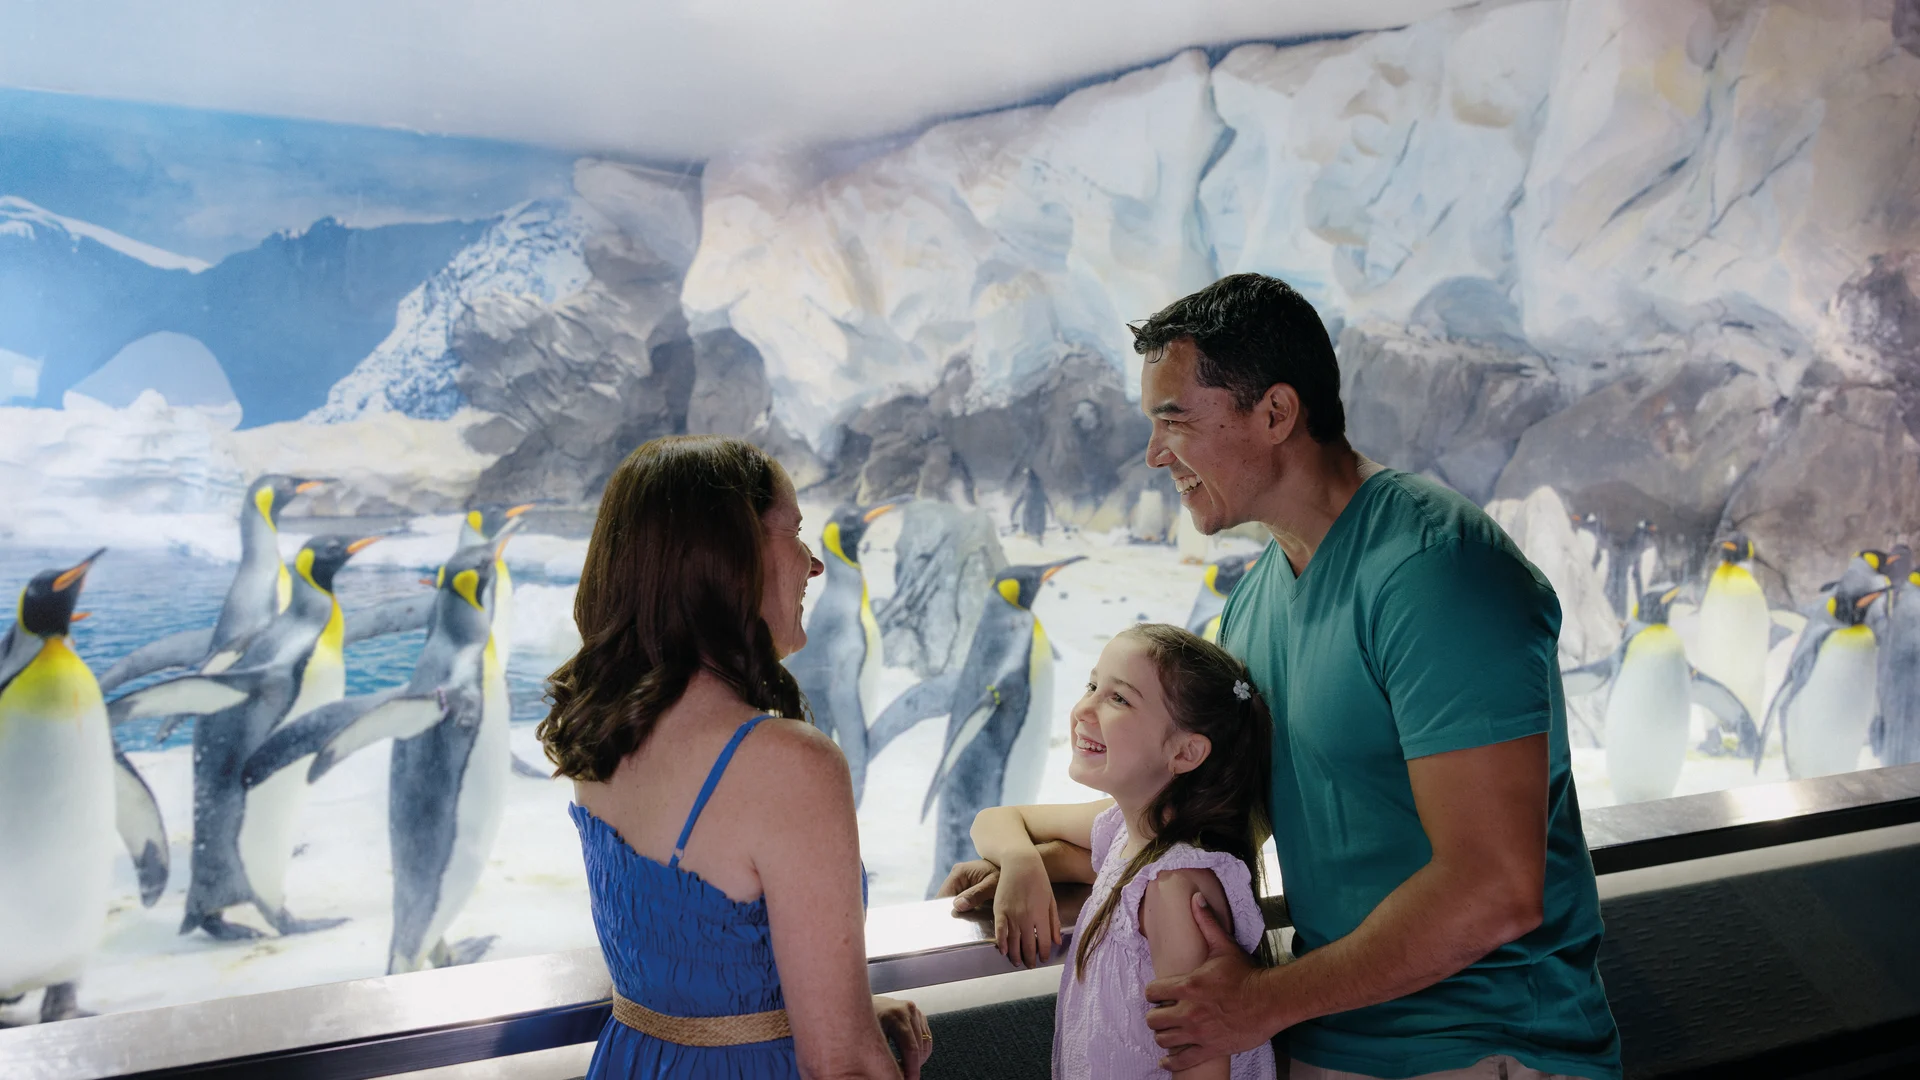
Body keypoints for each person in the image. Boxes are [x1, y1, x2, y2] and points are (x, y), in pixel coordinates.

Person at [945, 274, 1621, 1080]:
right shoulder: (1257, 603)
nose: (1156, 454)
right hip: (1331, 1039)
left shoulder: (1438, 573)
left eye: (1175, 421)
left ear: (1275, 413)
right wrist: (1033, 864)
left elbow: (1495, 887)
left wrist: (1260, 1004)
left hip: (1480, 1047)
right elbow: (1224, 821)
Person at [538, 435, 933, 1079]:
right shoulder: (786, 763)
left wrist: (831, 1010)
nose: (815, 565)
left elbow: (692, 973)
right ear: (731, 553)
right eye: (795, 531)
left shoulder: (609, 729)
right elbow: (843, 1067)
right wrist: (844, 1036)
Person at [961, 624, 1278, 1080]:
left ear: (1186, 752)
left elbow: (1202, 1069)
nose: (1083, 709)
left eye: (1119, 699)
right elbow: (993, 819)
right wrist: (1021, 863)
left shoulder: (1176, 888)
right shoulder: (1125, 829)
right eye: (1092, 685)